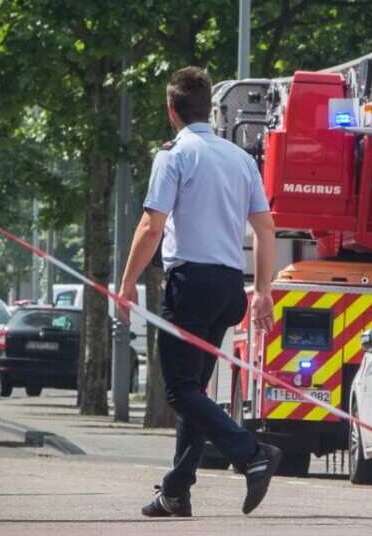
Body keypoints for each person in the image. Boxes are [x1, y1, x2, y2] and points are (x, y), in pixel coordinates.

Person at [116, 66, 281, 519]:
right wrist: (263, 290)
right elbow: (266, 230)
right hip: (230, 287)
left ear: (172, 111)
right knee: (195, 389)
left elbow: (152, 227)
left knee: (179, 391)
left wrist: (126, 286)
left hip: (191, 283)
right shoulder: (240, 158)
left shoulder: (173, 155)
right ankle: (177, 490)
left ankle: (250, 453)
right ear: (209, 108)